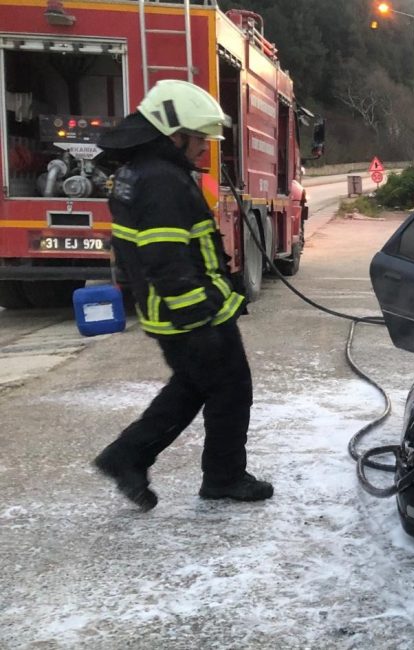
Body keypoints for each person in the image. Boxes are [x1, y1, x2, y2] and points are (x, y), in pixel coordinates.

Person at [92, 79, 273, 511]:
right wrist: (201, 320)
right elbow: (167, 260)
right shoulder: (161, 181)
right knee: (230, 388)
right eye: (199, 140)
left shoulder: (143, 172)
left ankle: (128, 457)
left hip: (172, 312)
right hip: (187, 314)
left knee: (194, 386)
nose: (204, 150)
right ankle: (223, 478)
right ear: (175, 134)